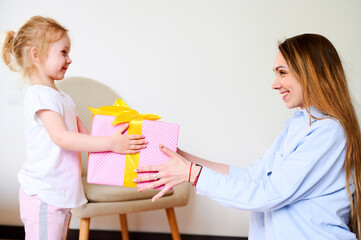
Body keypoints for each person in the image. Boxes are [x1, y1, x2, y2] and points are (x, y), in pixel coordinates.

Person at [134, 33, 361, 239]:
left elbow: (267, 195)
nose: (275, 84)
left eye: (282, 73)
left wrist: (193, 174)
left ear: (310, 72)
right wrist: (186, 160)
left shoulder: (328, 132)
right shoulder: (299, 125)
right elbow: (255, 176)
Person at [1, 16, 148, 239]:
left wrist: (116, 139)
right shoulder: (40, 95)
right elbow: (63, 138)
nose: (69, 59)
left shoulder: (63, 98)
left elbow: (86, 137)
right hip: (44, 193)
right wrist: (111, 143)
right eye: (63, 52)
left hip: (60, 192)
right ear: (36, 55)